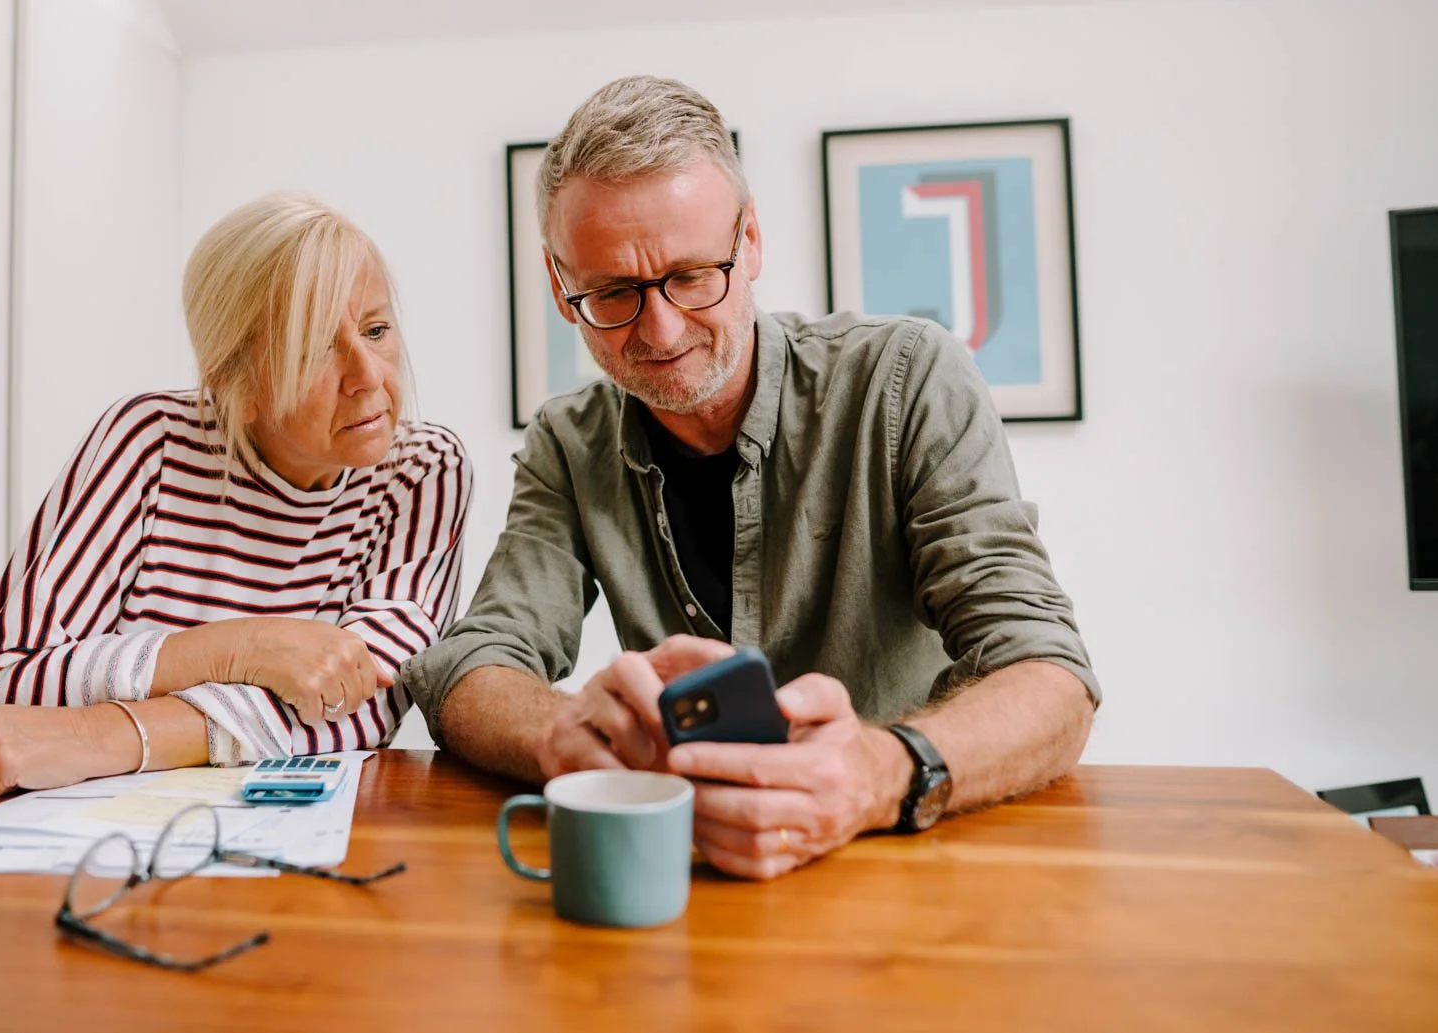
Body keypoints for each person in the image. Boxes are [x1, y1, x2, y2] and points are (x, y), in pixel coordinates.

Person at [403, 76, 1098, 880]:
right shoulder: (568, 442)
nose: (660, 331)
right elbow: (471, 662)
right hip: (690, 870)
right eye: (615, 293)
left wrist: (878, 773)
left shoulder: (905, 378)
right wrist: (560, 732)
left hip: (906, 857)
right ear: (563, 289)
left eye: (695, 274)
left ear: (753, 240)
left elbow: (1052, 677)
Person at [0, 195, 470, 796]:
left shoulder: (422, 471)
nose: (368, 374)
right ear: (235, 382)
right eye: (312, 349)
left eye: (376, 329)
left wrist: (102, 736)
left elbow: (363, 702)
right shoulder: (147, 443)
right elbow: (3, 684)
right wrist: (245, 647)